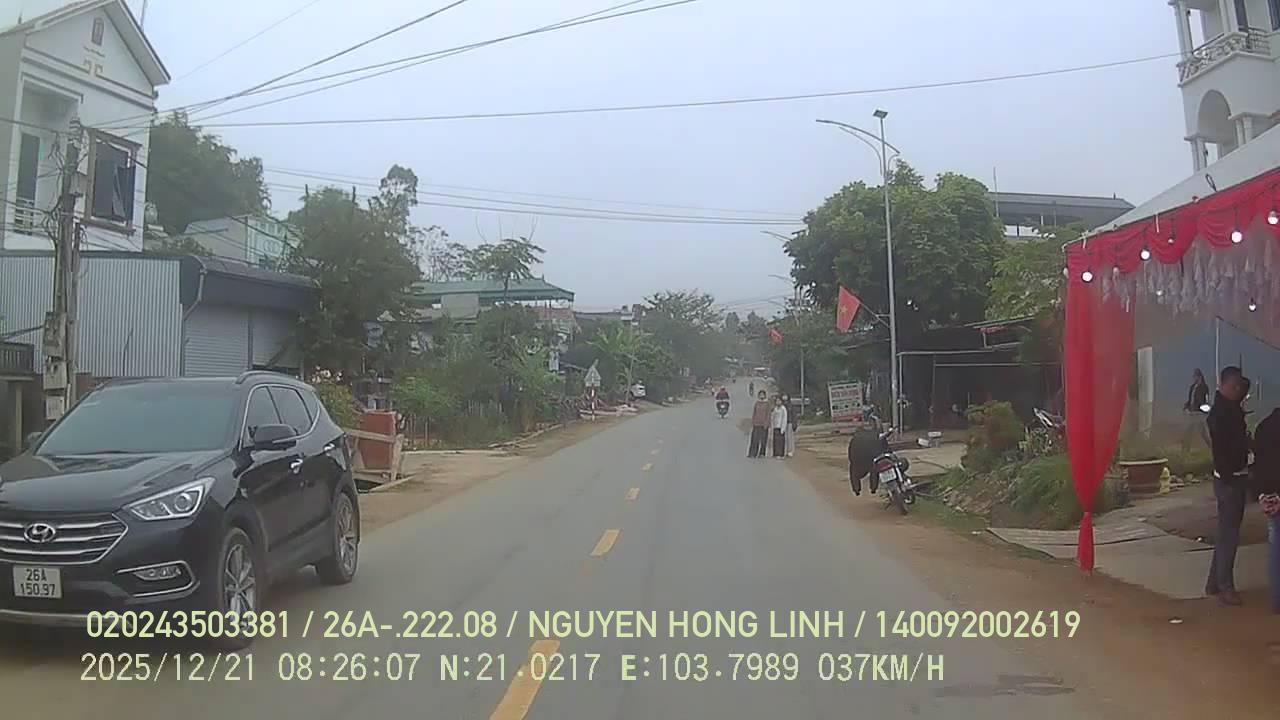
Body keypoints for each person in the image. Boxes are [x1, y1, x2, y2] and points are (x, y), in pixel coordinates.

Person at [1206, 366, 1252, 606]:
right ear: (1223, 384)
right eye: (1234, 385)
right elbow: (1223, 451)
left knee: (1227, 532)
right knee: (1229, 535)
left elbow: (1247, 386)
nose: (1238, 389)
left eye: (1239, 386)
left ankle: (1215, 581)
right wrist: (1230, 472)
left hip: (1234, 474)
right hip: (1229, 478)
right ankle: (1225, 585)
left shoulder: (1231, 408)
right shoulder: (1221, 414)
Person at [1251, 406, 1280, 615]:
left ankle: (1277, 599)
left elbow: (1257, 463)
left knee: (1275, 544)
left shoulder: (1263, 426)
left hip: (1270, 494)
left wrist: (1262, 493)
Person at [748, 390, 770, 458]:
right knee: (755, 439)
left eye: (763, 395)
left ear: (765, 395)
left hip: (764, 424)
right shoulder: (757, 403)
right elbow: (754, 413)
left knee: (763, 440)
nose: (761, 396)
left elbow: (768, 414)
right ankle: (753, 453)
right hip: (756, 424)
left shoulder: (767, 404)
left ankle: (762, 453)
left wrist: (766, 423)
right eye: (760, 395)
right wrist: (753, 421)